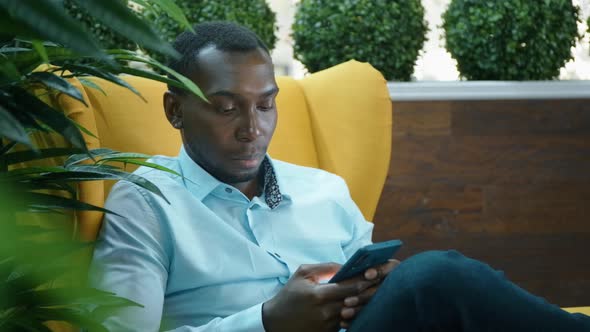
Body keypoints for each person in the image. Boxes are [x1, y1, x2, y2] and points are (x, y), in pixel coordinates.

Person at [89, 21, 590, 332]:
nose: (252, 129)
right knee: (435, 275)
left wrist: (378, 288)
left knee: (428, 287)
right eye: (225, 108)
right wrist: (267, 322)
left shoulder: (324, 190)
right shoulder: (145, 201)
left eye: (266, 106)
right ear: (175, 110)